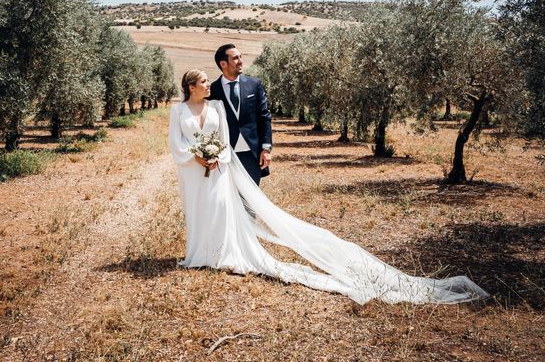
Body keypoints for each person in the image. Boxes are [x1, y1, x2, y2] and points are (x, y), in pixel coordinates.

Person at [168, 69, 490, 305]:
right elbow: (175, 143)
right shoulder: (178, 110)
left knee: (222, 210)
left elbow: (224, 141)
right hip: (193, 171)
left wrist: (216, 158)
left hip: (218, 168)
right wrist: (196, 159)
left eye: (210, 80)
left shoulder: (217, 109)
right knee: (199, 210)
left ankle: (224, 254)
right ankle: (200, 255)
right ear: (191, 86)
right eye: (204, 82)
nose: (209, 85)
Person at [209, 44, 272, 185]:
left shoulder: (254, 84)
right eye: (236, 58)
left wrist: (266, 148)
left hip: (252, 153)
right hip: (225, 155)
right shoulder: (212, 90)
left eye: (241, 57)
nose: (241, 61)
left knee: (251, 201)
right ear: (223, 64)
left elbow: (264, 117)